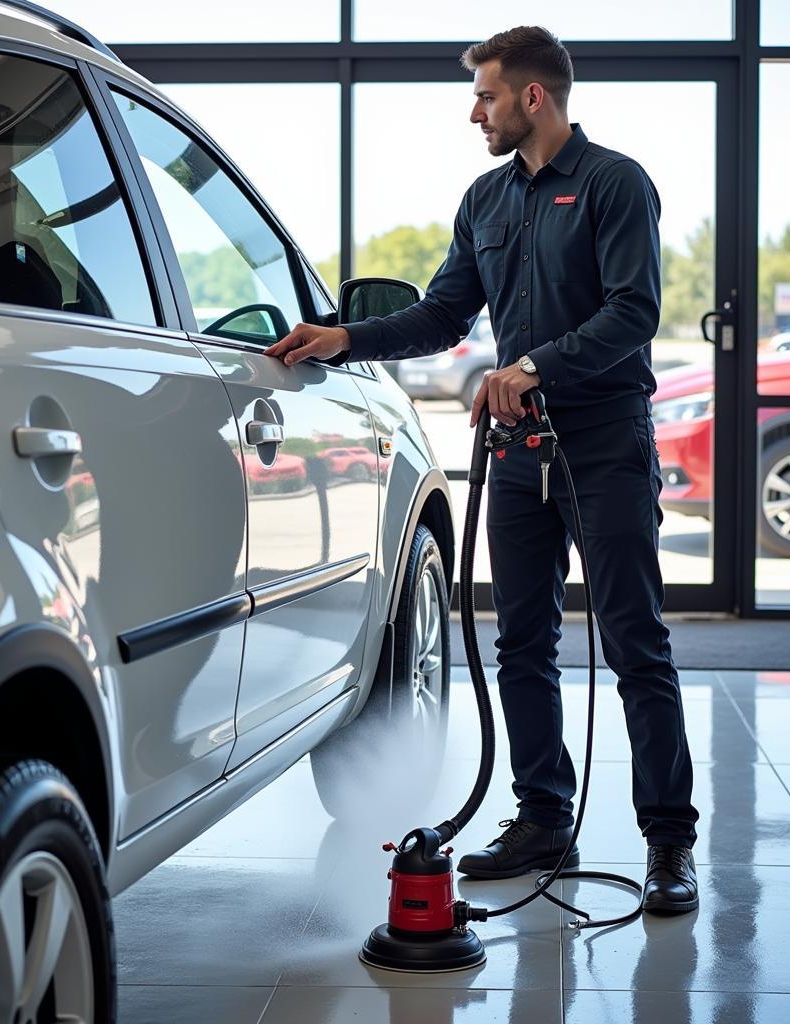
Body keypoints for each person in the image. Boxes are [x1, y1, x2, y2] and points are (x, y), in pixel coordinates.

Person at [264, 26, 700, 914]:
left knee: (634, 643)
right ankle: (542, 815)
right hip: (519, 454)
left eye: (486, 98)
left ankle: (668, 844)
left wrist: (533, 366)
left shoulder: (615, 184)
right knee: (520, 644)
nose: (476, 114)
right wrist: (345, 338)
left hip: (606, 444)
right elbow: (442, 316)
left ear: (532, 97)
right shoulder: (485, 201)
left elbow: (634, 312)